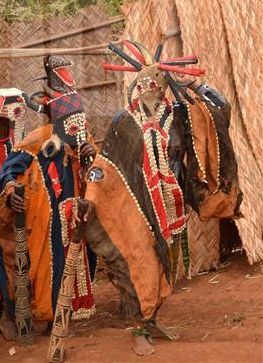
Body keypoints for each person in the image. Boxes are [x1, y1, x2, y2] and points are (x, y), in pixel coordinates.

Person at [83, 40, 242, 356]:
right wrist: (93, 187)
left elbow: (219, 110)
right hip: (138, 206)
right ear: (135, 87)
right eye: (142, 84)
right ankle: (141, 325)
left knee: (164, 267)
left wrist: (194, 83)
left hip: (170, 206)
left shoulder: (179, 114)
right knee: (144, 263)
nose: (148, 89)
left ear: (164, 87)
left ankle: (151, 317)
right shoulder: (124, 121)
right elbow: (108, 162)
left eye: (154, 84)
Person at [0, 56, 97, 331]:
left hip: (74, 216)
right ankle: (44, 316)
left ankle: (65, 315)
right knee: (44, 266)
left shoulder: (82, 139)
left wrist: (91, 158)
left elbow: (98, 177)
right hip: (44, 220)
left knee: (74, 264)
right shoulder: (38, 140)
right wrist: (11, 192)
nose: (74, 132)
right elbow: (9, 171)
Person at [0, 87, 28, 340]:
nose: (13, 122)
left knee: (11, 256)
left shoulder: (13, 139)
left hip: (9, 209)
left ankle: (12, 310)